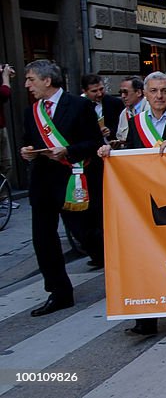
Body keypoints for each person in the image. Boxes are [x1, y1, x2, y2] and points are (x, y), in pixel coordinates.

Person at [98, 71, 166, 336]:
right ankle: (146, 319)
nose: (159, 96)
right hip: (144, 201)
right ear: (145, 94)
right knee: (146, 258)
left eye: (164, 91)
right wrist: (112, 153)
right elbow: (131, 157)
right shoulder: (136, 123)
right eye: (153, 91)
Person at [20, 60, 104, 316]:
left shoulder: (79, 106)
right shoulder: (32, 111)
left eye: (31, 79)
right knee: (43, 239)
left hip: (73, 181)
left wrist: (68, 150)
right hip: (43, 183)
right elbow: (28, 141)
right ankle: (59, 291)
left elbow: (94, 142)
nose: (27, 85)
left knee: (86, 233)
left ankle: (115, 268)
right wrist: (27, 152)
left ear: (47, 80)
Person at [81, 74, 124, 142]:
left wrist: (110, 131)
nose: (100, 94)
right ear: (84, 91)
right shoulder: (78, 106)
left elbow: (121, 126)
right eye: (94, 91)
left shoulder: (115, 103)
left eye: (101, 89)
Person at [115, 76, 147, 142]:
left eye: (125, 92)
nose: (122, 96)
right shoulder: (124, 113)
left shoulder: (151, 108)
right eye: (121, 93)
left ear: (138, 92)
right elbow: (120, 136)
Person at [0, 64, 13, 179]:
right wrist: (5, 77)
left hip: (1, 126)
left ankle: (3, 194)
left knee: (6, 162)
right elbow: (4, 93)